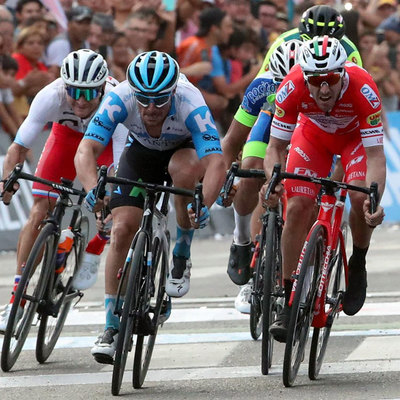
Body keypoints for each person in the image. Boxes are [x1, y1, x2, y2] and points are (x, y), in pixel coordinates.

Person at [74, 51, 225, 364]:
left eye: (159, 100)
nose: (151, 108)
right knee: (121, 229)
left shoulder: (190, 102)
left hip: (183, 152)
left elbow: (215, 163)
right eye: (143, 100)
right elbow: (86, 149)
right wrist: (92, 189)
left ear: (173, 92)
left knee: (183, 172)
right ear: (134, 93)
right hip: (140, 154)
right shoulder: (120, 98)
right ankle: (111, 326)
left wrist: (205, 203)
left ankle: (181, 250)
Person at [222, 4, 363, 310]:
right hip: (278, 109)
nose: (319, 43)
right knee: (253, 169)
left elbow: (348, 102)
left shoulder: (349, 54)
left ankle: (299, 270)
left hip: (317, 117)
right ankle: (242, 239)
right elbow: (260, 99)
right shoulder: (280, 50)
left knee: (305, 194)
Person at [261, 36, 386, 343]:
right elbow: (275, 147)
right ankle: (288, 300)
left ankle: (358, 262)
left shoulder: (364, 88)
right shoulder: (291, 88)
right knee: (297, 207)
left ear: (343, 72)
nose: (325, 88)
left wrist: (373, 198)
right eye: (316, 81)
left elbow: (375, 156)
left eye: (331, 78)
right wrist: (272, 181)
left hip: (354, 139)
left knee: (359, 197)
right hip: (312, 137)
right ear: (305, 77)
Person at [0, 49, 127, 333]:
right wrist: (7, 181)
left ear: (102, 87)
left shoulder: (115, 100)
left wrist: (106, 196)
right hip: (66, 138)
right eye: (74, 92)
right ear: (64, 86)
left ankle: (94, 247)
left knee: (112, 205)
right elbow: (18, 147)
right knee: (38, 212)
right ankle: (16, 301)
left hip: (104, 144)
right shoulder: (51, 95)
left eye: (89, 93)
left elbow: (119, 164)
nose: (81, 101)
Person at [221, 39, 303, 313]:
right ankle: (242, 239)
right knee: (252, 167)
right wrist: (226, 177)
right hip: (269, 125)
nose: (285, 90)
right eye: (280, 83)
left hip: (305, 128)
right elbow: (232, 140)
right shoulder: (261, 86)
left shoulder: (319, 87)